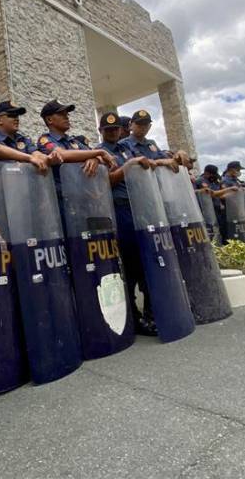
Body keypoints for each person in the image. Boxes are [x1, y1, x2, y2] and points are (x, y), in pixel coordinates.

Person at [95, 112, 157, 335]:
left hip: (139, 207)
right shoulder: (100, 153)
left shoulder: (126, 149)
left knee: (146, 262)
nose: (113, 132)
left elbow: (148, 164)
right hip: (119, 209)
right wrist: (129, 165)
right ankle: (135, 317)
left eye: (116, 129)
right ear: (101, 131)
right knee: (129, 264)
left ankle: (151, 313)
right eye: (108, 130)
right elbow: (106, 181)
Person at [36, 99, 117, 186]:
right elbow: (61, 154)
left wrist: (95, 159)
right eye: (61, 114)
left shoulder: (73, 141)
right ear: (49, 119)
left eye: (67, 114)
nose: (67, 117)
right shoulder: (45, 139)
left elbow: (95, 154)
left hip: (83, 190)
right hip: (64, 192)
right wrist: (99, 152)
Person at [195, 163, 239, 243]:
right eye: (212, 175)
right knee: (211, 232)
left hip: (217, 210)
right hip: (207, 212)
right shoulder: (201, 181)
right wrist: (230, 189)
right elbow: (212, 194)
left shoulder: (213, 181)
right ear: (206, 173)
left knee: (220, 231)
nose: (214, 177)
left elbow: (219, 195)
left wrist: (233, 193)